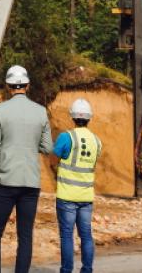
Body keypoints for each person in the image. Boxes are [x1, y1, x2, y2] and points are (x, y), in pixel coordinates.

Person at [0, 64, 53, 273]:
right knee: (25, 236)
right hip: (30, 182)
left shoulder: (0, 110)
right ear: (28, 85)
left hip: (5, 181)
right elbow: (48, 147)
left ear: (8, 86)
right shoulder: (41, 112)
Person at [54, 98, 101, 273]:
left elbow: (56, 153)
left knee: (67, 235)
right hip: (86, 197)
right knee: (86, 235)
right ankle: (87, 269)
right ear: (89, 117)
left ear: (72, 116)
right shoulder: (97, 141)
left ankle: (66, 270)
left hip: (67, 196)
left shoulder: (66, 137)